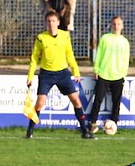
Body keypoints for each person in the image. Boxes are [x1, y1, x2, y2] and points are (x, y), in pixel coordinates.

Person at [25, 11, 92, 139]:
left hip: (63, 74)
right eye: (49, 21)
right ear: (46, 23)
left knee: (76, 101)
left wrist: (76, 72)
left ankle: (85, 131)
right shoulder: (41, 38)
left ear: (58, 22)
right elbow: (34, 58)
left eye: (53, 21)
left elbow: (69, 55)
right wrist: (30, 76)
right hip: (46, 74)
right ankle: (30, 131)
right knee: (40, 102)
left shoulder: (65, 36)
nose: (51, 24)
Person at [88, 15, 131, 133]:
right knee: (98, 100)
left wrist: (123, 73)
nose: (116, 26)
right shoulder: (105, 38)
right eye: (114, 24)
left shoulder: (124, 42)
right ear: (111, 25)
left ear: (122, 26)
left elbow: (126, 59)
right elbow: (99, 54)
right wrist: (96, 69)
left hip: (118, 76)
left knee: (116, 102)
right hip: (104, 74)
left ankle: (114, 124)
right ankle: (92, 124)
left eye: (118, 24)